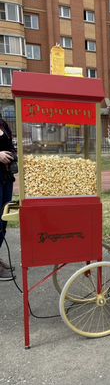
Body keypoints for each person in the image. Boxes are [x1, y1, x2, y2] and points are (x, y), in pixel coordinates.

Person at [0, 115, 17, 281]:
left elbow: (10, 143)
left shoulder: (2, 123)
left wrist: (13, 153)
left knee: (3, 218)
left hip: (5, 177)